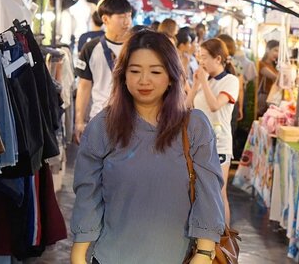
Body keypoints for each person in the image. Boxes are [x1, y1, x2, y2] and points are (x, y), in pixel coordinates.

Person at [71, 30, 225, 264]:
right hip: (110, 256)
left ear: (171, 76)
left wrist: (204, 253)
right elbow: (87, 194)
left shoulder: (194, 126)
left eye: (155, 71)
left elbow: (208, 194)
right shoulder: (103, 126)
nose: (144, 80)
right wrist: (79, 254)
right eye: (135, 71)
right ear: (123, 76)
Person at [186, 38, 239, 226]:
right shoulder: (203, 80)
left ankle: (223, 239)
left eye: (205, 58)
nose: (202, 62)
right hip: (197, 142)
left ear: (218, 59)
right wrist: (194, 86)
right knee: (198, 191)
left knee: (218, 191)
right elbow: (186, 107)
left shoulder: (231, 81)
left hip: (219, 143)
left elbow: (215, 105)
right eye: (199, 58)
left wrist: (204, 83)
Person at [74, 0, 132, 143]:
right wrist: (79, 121)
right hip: (100, 119)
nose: (127, 22)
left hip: (133, 119)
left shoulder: (137, 46)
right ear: (105, 19)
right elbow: (84, 86)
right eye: (121, 17)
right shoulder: (91, 48)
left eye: (129, 16)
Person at [257, 39, 280, 116]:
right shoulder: (261, 64)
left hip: (273, 98)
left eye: (279, 51)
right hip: (265, 97)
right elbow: (275, 77)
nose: (277, 54)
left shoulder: (275, 67)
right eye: (275, 50)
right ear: (267, 50)